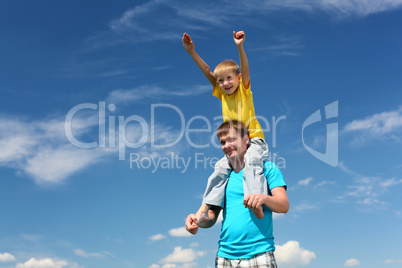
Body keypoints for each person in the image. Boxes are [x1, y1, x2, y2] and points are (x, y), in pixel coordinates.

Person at [182, 31, 269, 221]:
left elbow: (245, 70)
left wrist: (240, 46)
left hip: (253, 140)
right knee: (220, 168)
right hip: (235, 144)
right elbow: (208, 72)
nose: (225, 83)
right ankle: (206, 211)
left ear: (238, 78)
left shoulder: (243, 91)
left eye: (229, 78)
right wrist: (191, 52)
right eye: (221, 81)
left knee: (252, 162)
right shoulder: (222, 94)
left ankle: (255, 202)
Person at [185, 120, 289, 268]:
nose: (226, 145)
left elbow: (284, 205)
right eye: (222, 142)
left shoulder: (267, 168)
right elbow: (212, 218)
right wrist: (198, 222)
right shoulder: (223, 177)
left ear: (246, 139)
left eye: (231, 139)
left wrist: (263, 198)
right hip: (224, 257)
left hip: (259, 253)